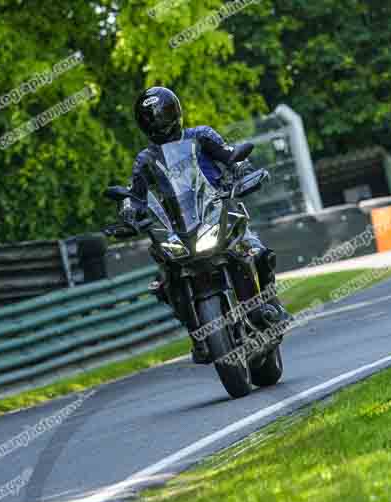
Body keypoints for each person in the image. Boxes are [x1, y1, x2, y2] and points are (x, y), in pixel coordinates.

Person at [119, 86, 290, 362]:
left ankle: (268, 307)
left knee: (257, 252)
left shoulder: (201, 136)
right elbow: (134, 195)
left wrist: (240, 168)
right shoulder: (146, 159)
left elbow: (230, 154)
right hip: (178, 228)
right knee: (164, 281)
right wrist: (128, 212)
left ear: (175, 113)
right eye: (151, 118)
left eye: (163, 115)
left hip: (218, 211)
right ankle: (197, 334)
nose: (158, 122)